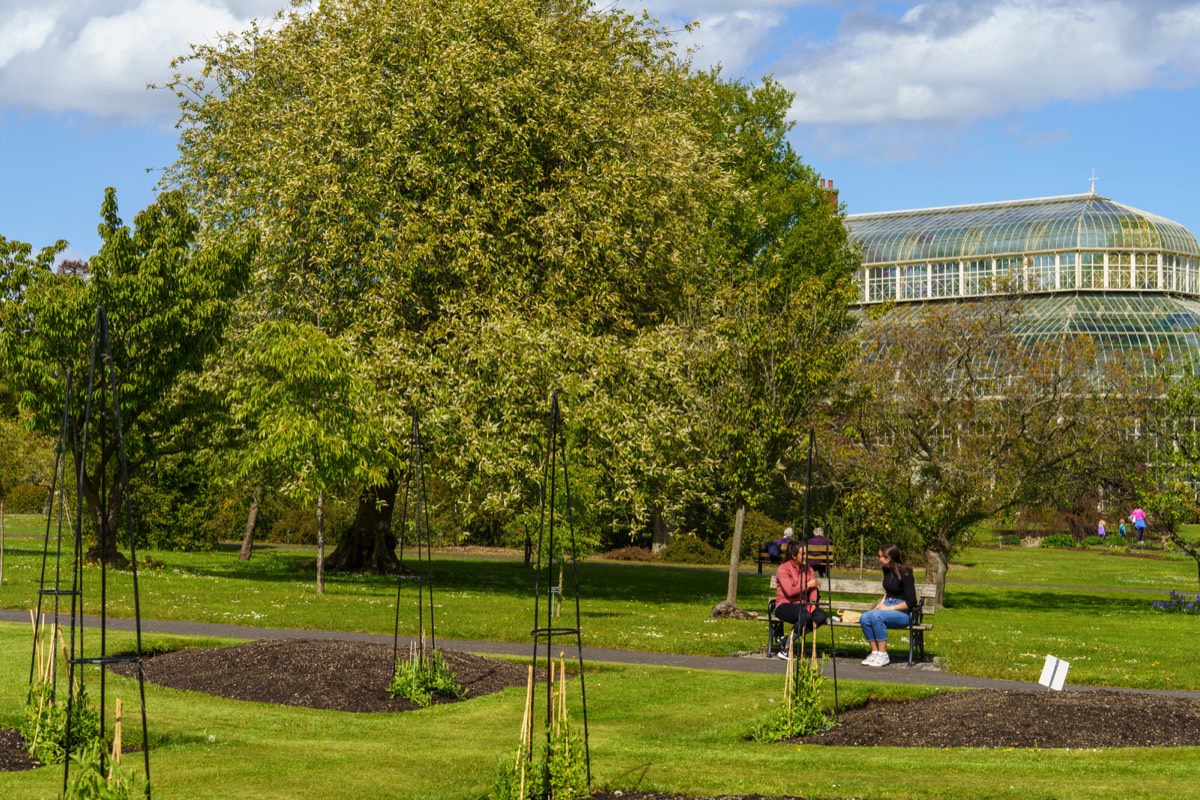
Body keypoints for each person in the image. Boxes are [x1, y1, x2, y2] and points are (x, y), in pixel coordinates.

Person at [858, 544, 917, 668]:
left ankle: (883, 654)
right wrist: (882, 603)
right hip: (888, 605)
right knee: (864, 617)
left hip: (903, 612)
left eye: (880, 556)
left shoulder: (906, 574)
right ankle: (875, 652)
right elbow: (889, 591)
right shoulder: (887, 570)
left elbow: (911, 602)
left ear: (888, 558)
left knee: (876, 616)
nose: (878, 559)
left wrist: (889, 608)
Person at [774, 540, 827, 660]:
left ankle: (787, 639)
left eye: (806, 553)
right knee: (805, 616)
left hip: (803, 605)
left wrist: (812, 603)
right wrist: (807, 585)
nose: (805, 557)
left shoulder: (809, 569)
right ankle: (787, 649)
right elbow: (789, 591)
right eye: (802, 554)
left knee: (821, 616)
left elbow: (814, 590)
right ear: (793, 556)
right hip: (785, 605)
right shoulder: (783, 569)